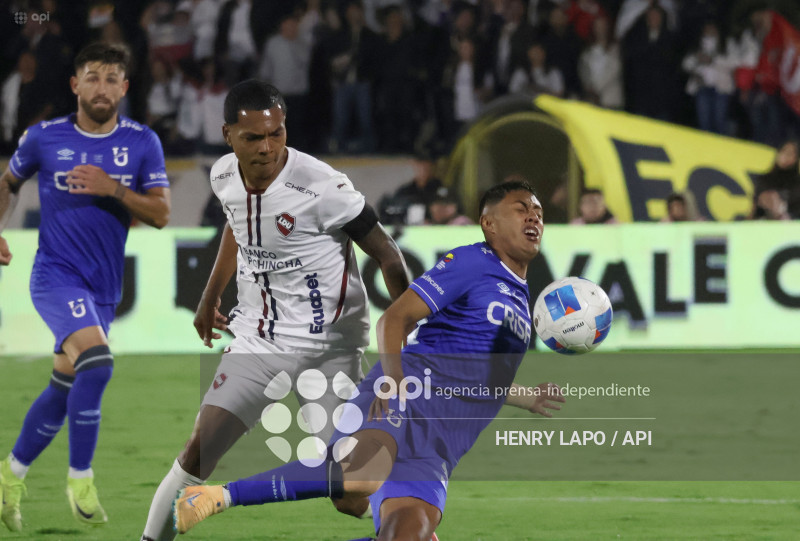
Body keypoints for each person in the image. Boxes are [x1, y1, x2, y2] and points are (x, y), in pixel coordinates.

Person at [173, 180, 565, 540]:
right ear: (489, 224)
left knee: (399, 532)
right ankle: (215, 497)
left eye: (539, 212)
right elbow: (395, 318)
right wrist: (393, 379)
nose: (534, 216)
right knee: (359, 478)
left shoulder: (518, 296)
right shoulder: (472, 263)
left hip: (440, 442)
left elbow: (477, 375)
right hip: (406, 396)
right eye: (520, 208)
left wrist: (524, 396)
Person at [140, 80, 410, 541]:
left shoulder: (323, 186)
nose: (268, 148)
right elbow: (236, 225)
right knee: (197, 453)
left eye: (277, 134)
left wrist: (405, 338)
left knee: (351, 492)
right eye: (253, 138)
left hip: (329, 351)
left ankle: (408, 525)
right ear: (228, 135)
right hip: (258, 342)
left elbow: (388, 255)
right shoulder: (224, 175)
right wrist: (210, 298)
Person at [0, 43, 171, 531]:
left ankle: (10, 474)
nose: (102, 87)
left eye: (113, 78)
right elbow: (8, 182)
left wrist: (113, 188)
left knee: (64, 385)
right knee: (97, 364)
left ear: (125, 88)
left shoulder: (143, 142)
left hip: (103, 288)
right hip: (54, 276)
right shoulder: (44, 138)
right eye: (92, 77)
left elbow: (161, 214)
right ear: (75, 85)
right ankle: (80, 478)